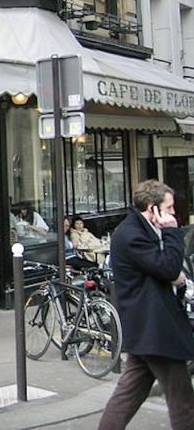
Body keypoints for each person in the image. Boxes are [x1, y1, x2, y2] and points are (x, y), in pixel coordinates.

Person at [98, 180, 194, 429]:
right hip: (156, 328)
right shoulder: (131, 234)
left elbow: (162, 269)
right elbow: (169, 267)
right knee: (182, 400)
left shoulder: (139, 229)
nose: (173, 213)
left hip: (148, 329)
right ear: (153, 207)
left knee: (129, 394)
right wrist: (173, 232)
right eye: (169, 208)